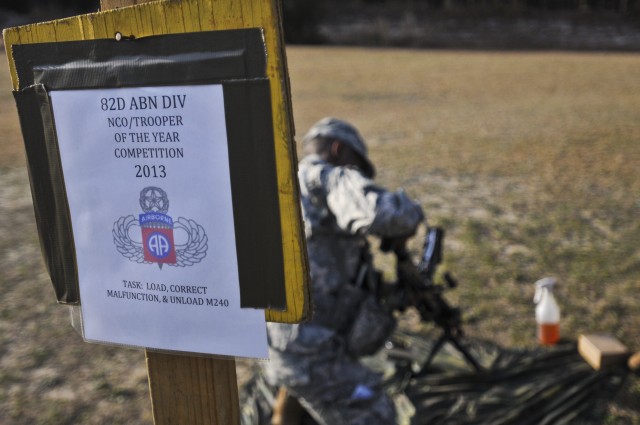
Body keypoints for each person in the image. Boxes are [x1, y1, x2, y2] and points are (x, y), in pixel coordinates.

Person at [264, 117, 424, 425]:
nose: (357, 176)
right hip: (310, 351)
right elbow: (386, 214)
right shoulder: (323, 178)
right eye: (357, 168)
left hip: (279, 341)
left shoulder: (279, 184)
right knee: (376, 411)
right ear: (338, 150)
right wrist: (412, 213)